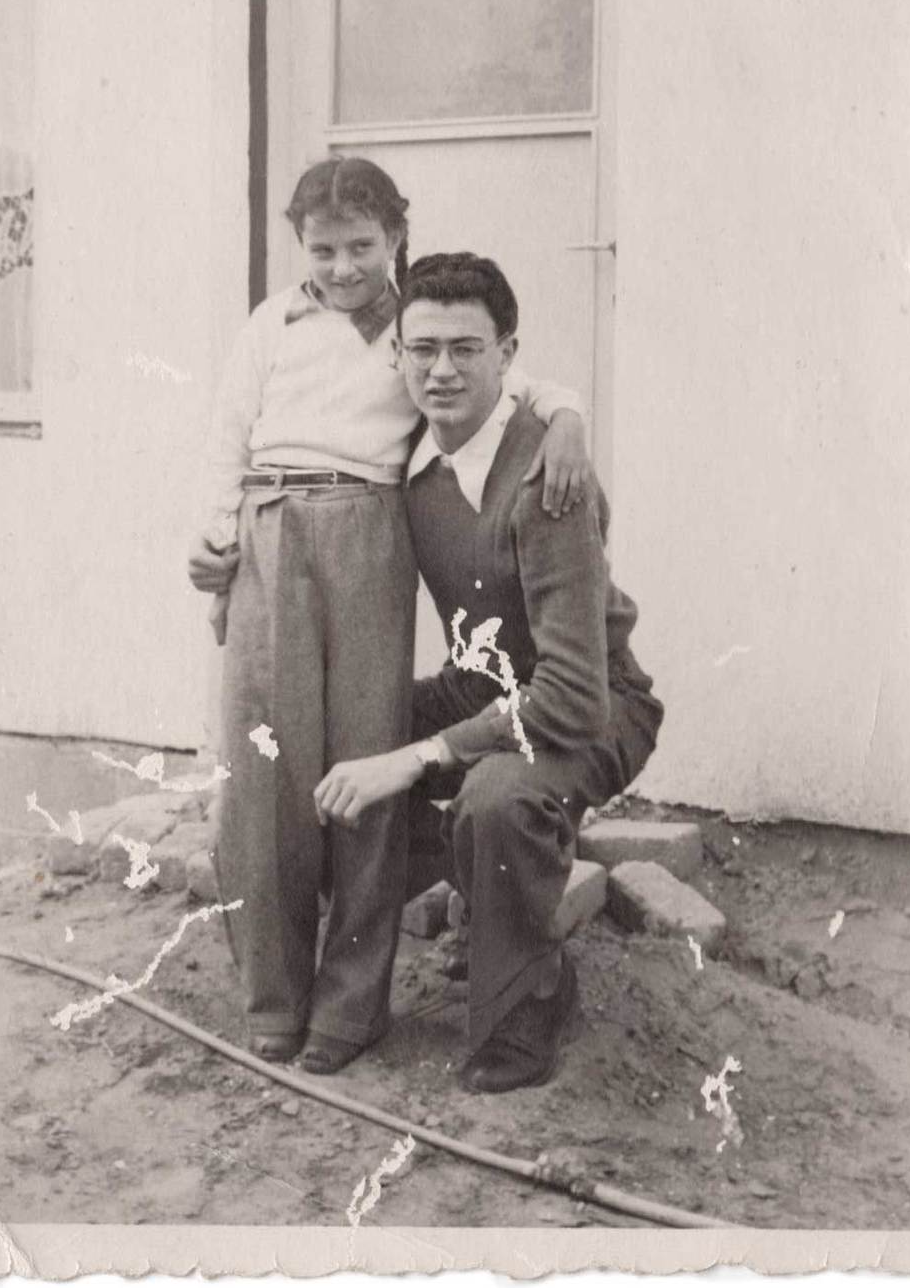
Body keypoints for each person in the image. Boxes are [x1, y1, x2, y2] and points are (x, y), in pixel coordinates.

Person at [188, 159, 595, 1076]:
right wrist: (217, 555)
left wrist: (571, 415)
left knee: (360, 756)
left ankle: (350, 1005)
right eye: (323, 249)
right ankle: (273, 998)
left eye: (362, 247)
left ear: (397, 238)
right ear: (301, 246)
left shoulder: (416, 326)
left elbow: (525, 384)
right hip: (269, 529)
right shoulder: (274, 324)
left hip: (371, 530)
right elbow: (225, 436)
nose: (342, 268)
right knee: (267, 774)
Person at [313, 251, 664, 1093]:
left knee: (496, 795)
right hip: (487, 685)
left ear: (508, 354)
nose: (441, 369)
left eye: (466, 349)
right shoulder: (404, 455)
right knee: (335, 726)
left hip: (594, 703)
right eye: (422, 348)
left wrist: (416, 757)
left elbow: (573, 695)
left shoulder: (550, 476)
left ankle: (530, 995)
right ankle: (470, 895)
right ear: (396, 355)